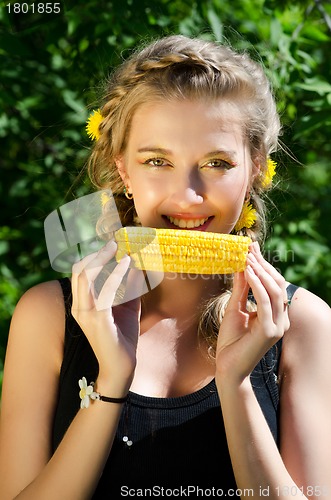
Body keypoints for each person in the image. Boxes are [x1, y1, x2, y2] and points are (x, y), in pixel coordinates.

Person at [0, 34, 330, 500]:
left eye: (216, 163)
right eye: (157, 161)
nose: (188, 196)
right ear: (123, 170)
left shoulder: (304, 325)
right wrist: (111, 381)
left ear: (255, 167)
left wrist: (235, 384)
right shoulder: (49, 317)